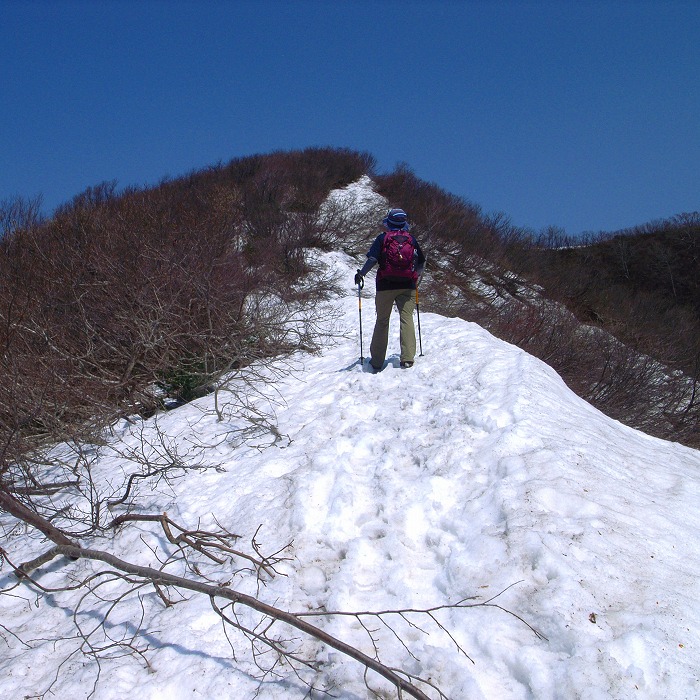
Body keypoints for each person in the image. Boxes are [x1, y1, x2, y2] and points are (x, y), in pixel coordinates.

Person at [354, 208, 426, 372]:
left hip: (385, 285)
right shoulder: (411, 239)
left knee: (382, 321)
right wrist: (416, 276)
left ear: (389, 222)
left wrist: (361, 274)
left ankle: (377, 362)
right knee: (406, 318)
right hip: (408, 285)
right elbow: (421, 262)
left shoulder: (382, 238)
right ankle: (407, 358)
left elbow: (373, 259)